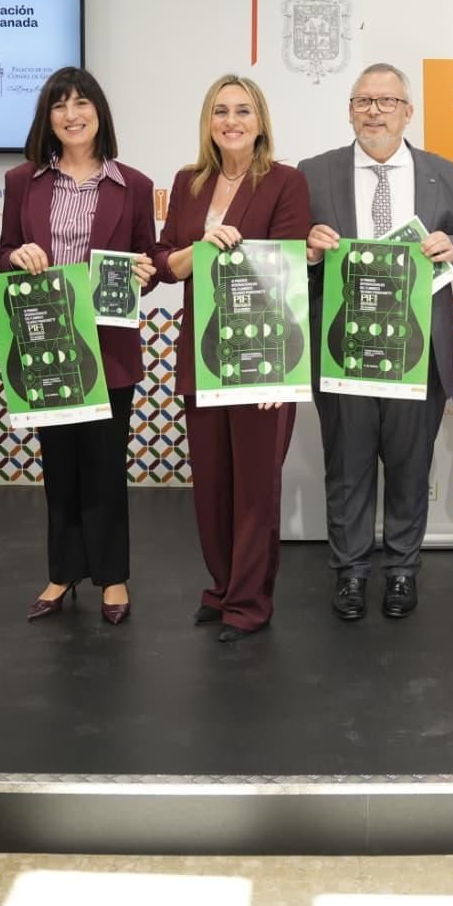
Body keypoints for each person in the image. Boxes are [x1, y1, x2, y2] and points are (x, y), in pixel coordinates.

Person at [299, 63, 453, 621]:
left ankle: (402, 569)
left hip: (417, 352)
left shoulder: (449, 175)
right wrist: (306, 249)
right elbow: (288, 254)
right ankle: (350, 572)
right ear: (349, 110)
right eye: (363, 101)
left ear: (408, 111)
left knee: (409, 468)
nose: (374, 111)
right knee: (347, 469)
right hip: (343, 351)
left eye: (387, 101)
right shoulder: (313, 174)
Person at [154, 75, 311, 641]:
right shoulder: (187, 182)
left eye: (243, 110)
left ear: (261, 121)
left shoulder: (286, 182)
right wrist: (196, 251)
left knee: (255, 489)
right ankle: (220, 589)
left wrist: (280, 372)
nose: (232, 121)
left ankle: (248, 603)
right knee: (213, 485)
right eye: (221, 111)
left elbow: (288, 267)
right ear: (208, 121)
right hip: (203, 352)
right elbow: (164, 260)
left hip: (264, 358)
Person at [0, 67, 157, 626]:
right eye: (59, 104)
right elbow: (4, 251)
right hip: (45, 343)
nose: (71, 114)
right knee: (59, 464)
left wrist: (144, 273)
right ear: (48, 118)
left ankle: (112, 576)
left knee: (105, 465)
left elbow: (147, 262)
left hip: (108, 349)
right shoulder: (23, 180)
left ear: (99, 112)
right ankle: (62, 571)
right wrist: (15, 256)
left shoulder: (134, 185)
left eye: (81, 102)